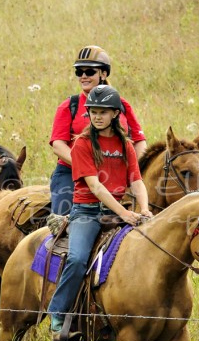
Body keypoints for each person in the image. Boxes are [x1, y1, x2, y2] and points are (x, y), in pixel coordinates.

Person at [46, 84, 152, 341]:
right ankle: (57, 314)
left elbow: (136, 180)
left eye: (103, 111)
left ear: (115, 114)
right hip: (87, 211)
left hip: (118, 210)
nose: (97, 116)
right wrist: (126, 213)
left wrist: (145, 208)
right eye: (93, 111)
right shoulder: (81, 144)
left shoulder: (125, 145)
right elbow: (95, 186)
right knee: (78, 258)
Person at [48, 45, 147, 216]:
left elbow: (139, 141)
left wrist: (132, 169)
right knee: (61, 220)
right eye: (79, 72)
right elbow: (58, 145)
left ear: (103, 73)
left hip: (115, 170)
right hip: (72, 173)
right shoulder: (69, 105)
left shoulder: (122, 105)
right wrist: (87, 167)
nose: (84, 76)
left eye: (89, 71)